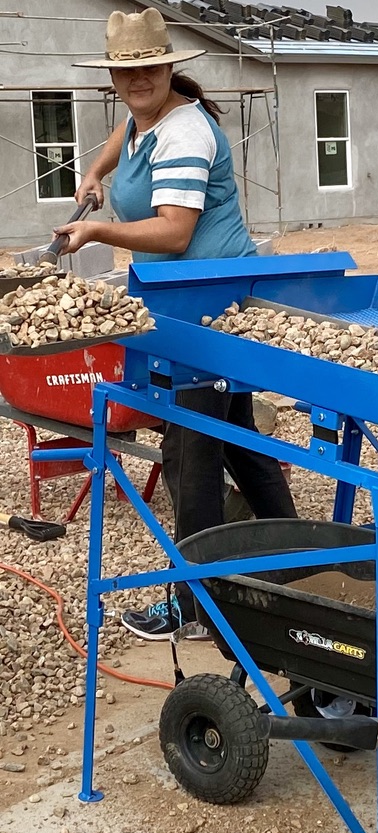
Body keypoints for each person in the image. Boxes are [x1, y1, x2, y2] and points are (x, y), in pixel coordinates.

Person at [59, 8, 297, 640]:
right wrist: (95, 175)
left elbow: (174, 230)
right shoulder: (145, 120)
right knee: (242, 442)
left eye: (149, 67)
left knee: (190, 451)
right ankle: (302, 572)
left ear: (169, 67)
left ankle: (192, 606)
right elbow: (122, 138)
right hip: (185, 306)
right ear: (114, 73)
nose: (138, 78)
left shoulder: (186, 131)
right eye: (126, 69)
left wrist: (96, 229)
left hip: (212, 306)